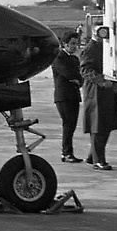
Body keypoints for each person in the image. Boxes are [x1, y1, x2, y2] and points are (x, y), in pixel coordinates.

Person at [80, 26, 117, 169]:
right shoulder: (91, 48)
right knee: (97, 125)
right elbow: (85, 70)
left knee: (106, 125)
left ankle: (93, 156)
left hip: (108, 91)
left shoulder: (105, 46)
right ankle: (99, 160)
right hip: (96, 92)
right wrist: (102, 81)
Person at [52, 31, 83, 162]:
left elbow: (80, 77)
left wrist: (77, 79)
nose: (75, 46)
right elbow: (68, 73)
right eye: (72, 43)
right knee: (68, 123)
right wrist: (75, 78)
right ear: (65, 44)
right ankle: (66, 152)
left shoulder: (75, 59)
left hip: (74, 95)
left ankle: (69, 152)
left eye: (77, 44)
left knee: (72, 124)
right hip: (63, 96)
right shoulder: (58, 57)